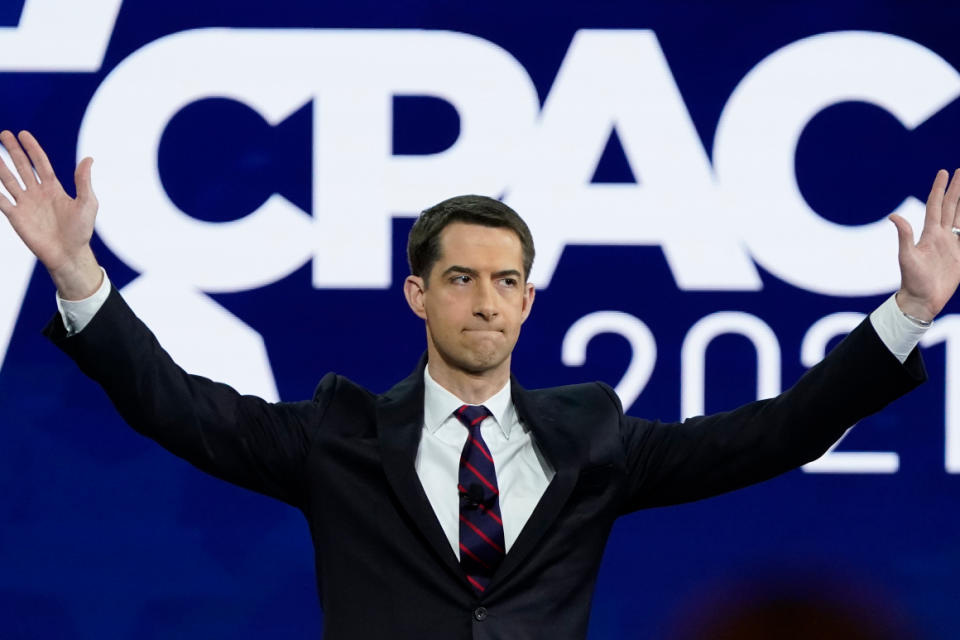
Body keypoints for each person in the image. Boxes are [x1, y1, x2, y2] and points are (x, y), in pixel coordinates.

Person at [1, 128, 957, 639]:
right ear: (419, 294)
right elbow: (177, 407)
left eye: (507, 282)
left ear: (530, 301)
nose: (486, 302)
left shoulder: (594, 439)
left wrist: (908, 313)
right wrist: (80, 275)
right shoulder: (336, 437)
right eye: (461, 279)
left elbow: (777, 432)